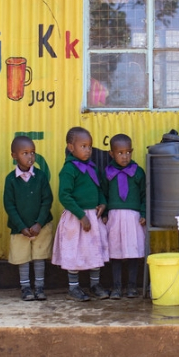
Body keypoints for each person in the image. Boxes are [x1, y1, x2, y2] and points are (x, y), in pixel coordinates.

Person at [52, 127, 109, 302]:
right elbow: (64, 195)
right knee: (74, 252)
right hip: (76, 219)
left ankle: (94, 284)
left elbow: (98, 188)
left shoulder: (91, 167)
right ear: (71, 147)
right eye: (83, 146)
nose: (88, 150)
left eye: (90, 147)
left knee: (94, 250)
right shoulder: (69, 169)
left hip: (92, 216)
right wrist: (80, 215)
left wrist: (102, 204)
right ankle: (73, 287)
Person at [3, 136, 54, 301]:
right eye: (25, 153)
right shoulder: (11, 180)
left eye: (32, 153)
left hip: (41, 226)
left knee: (39, 257)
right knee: (22, 257)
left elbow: (47, 200)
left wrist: (39, 223)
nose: (30, 157)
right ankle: (25, 288)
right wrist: (21, 226)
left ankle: (39, 288)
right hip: (20, 229)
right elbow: (9, 205)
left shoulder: (40, 176)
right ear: (14, 156)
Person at [102, 134, 146, 299]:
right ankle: (116, 287)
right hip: (114, 219)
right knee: (116, 253)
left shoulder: (138, 172)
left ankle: (132, 286)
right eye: (120, 152)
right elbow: (103, 195)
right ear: (111, 154)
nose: (125, 156)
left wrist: (144, 212)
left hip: (134, 219)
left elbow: (145, 195)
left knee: (133, 253)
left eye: (128, 152)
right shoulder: (107, 173)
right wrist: (105, 213)